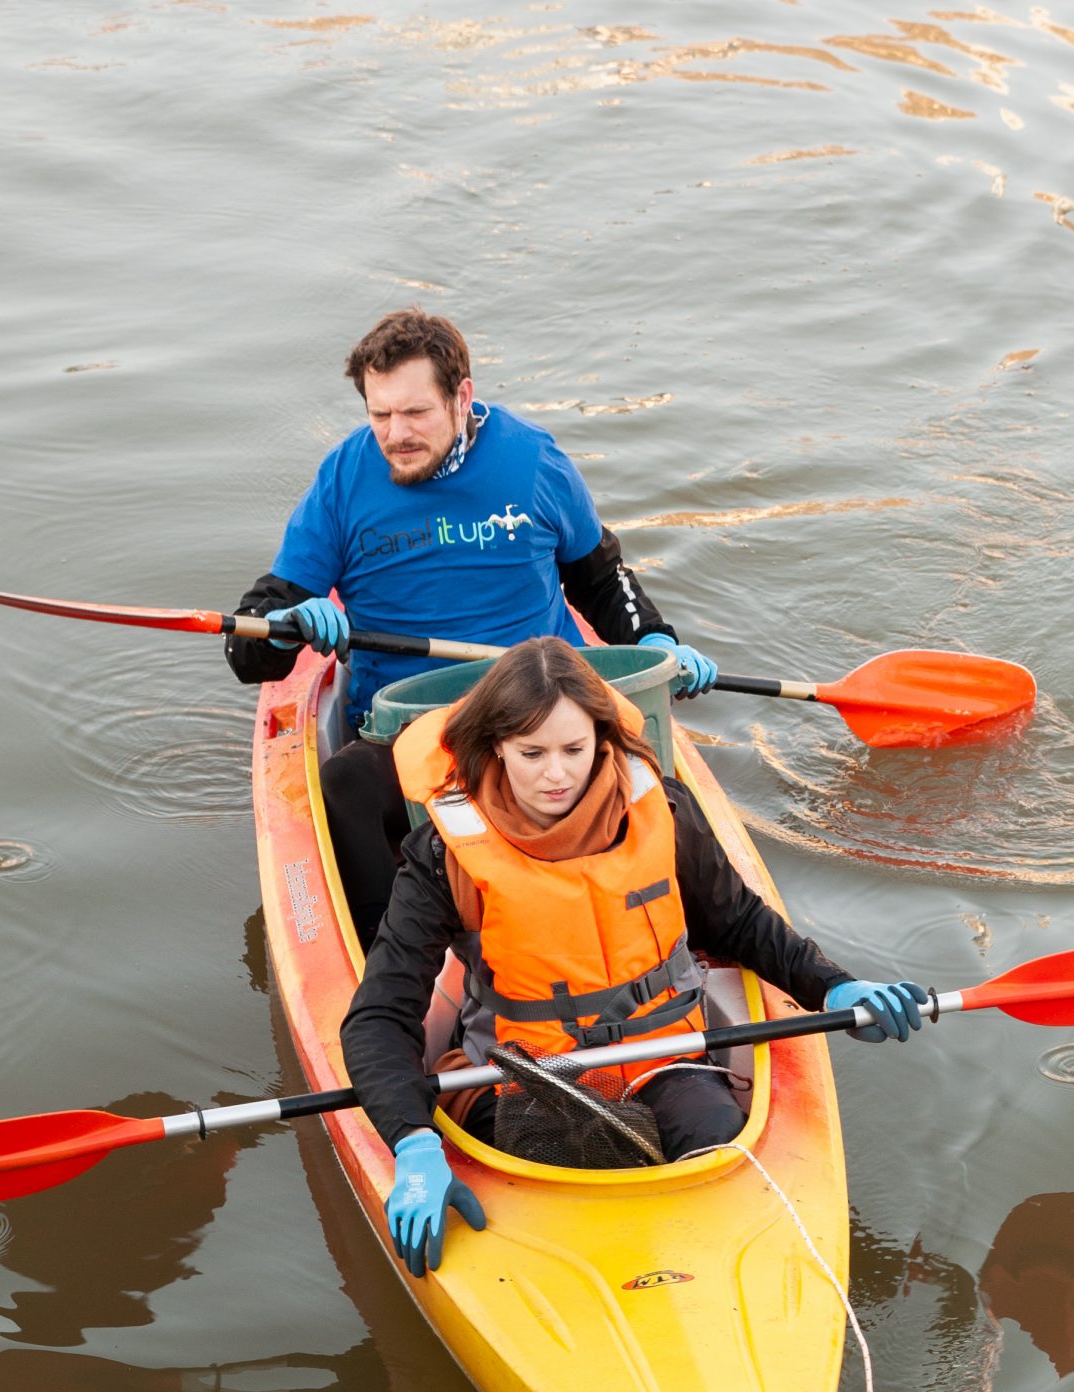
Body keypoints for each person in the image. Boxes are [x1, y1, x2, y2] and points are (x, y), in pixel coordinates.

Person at [341, 639, 928, 1278]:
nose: (556, 776)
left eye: (574, 750)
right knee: (559, 1152)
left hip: (667, 1056)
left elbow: (737, 921)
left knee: (714, 1134)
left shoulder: (663, 807)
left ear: (601, 738)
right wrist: (412, 1141)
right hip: (522, 1075)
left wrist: (834, 988)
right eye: (531, 754)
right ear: (495, 748)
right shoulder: (442, 852)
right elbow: (378, 1019)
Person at [225, 306, 721, 946]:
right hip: (413, 723)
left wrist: (655, 641)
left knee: (652, 775)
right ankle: (389, 967)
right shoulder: (344, 482)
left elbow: (598, 577)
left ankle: (703, 942)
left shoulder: (533, 461)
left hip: (545, 706)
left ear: (462, 398)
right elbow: (249, 650)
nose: (395, 433)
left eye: (415, 413)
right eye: (379, 415)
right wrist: (285, 626)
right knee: (347, 782)